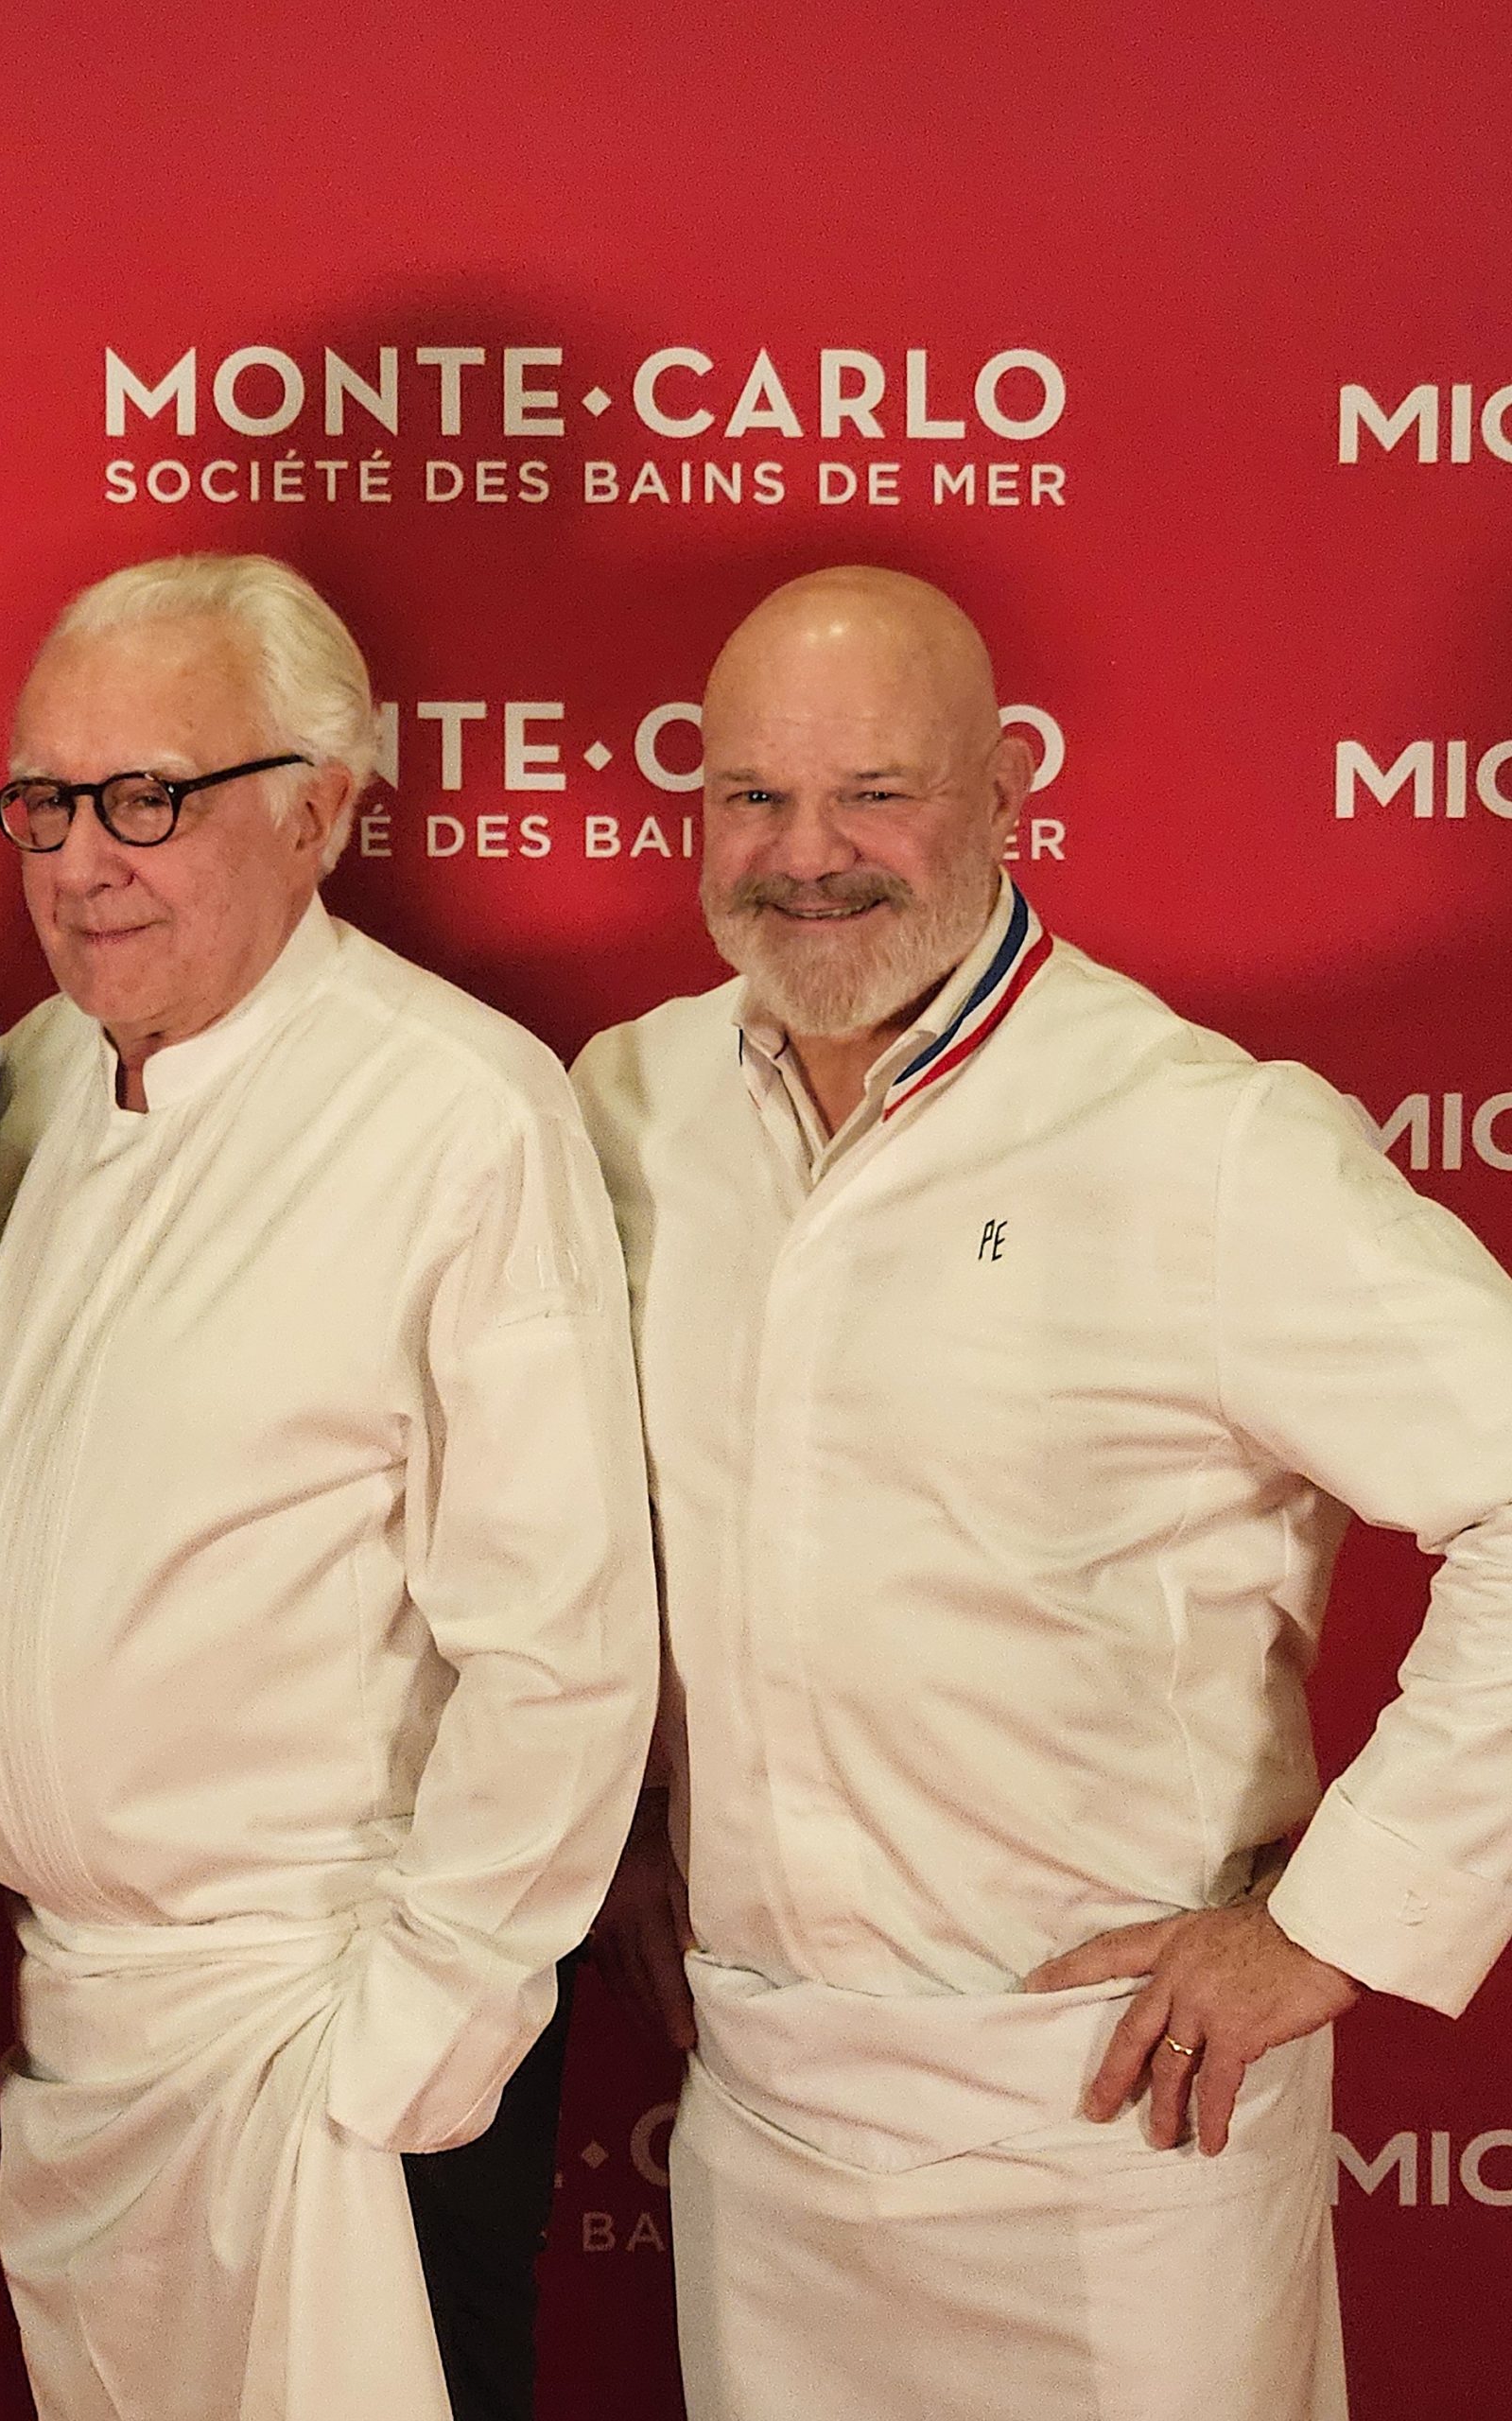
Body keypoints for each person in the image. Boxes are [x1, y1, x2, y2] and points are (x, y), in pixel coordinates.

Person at [573, 564, 1512, 2421]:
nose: (805, 855)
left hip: (1117, 2119)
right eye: (753, 795)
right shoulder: (630, 1108)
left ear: (1005, 787)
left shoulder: (1197, 1137)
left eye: (874, 794)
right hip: (766, 2107)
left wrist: (1332, 1925)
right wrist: (610, 1827)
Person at [0, 551, 658, 2421]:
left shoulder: (455, 1111)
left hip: (329, 2036)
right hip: (86, 2039)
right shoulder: (22, 1087)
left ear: (320, 810)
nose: (83, 861)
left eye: (148, 799)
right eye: (45, 802)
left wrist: (412, 2045)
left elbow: (562, 1647)